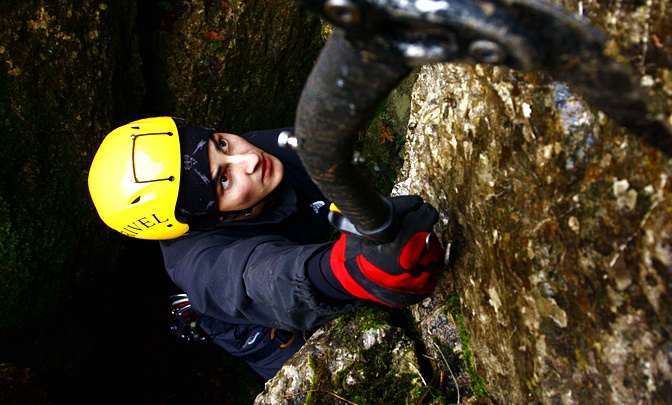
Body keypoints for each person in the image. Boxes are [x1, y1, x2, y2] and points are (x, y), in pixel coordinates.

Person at [87, 116, 444, 380]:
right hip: (239, 312)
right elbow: (257, 279)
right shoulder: (204, 267)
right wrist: (350, 271)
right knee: (306, 370)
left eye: (221, 144)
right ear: (212, 220)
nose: (249, 160)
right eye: (224, 179)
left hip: (295, 228)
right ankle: (194, 313)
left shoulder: (266, 151)